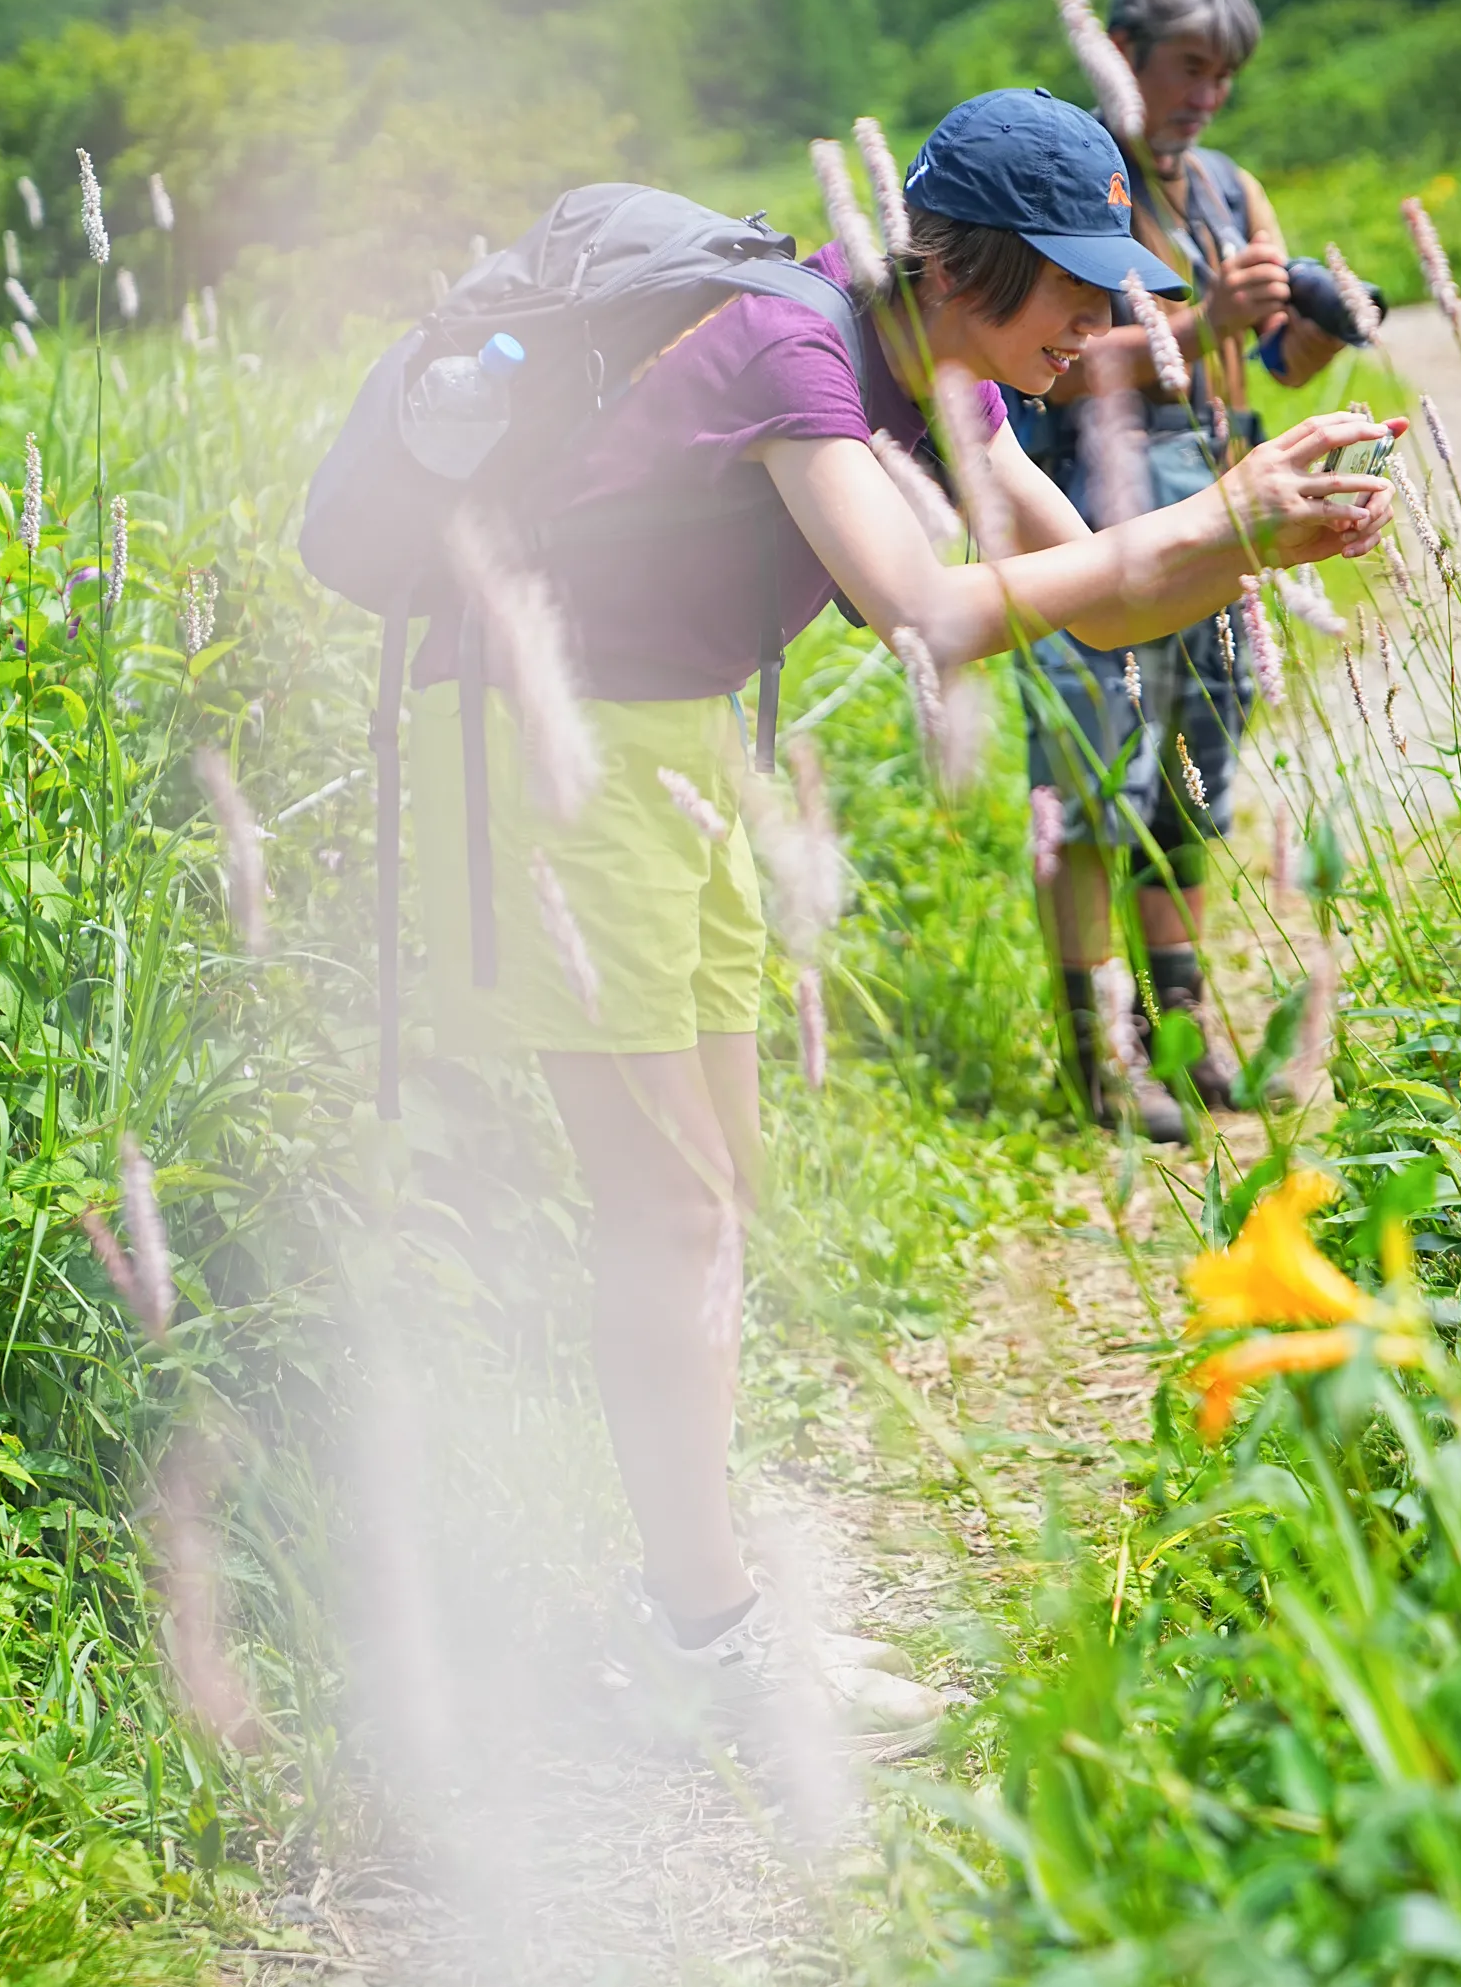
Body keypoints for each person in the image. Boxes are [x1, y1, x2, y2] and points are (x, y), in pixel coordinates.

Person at [407, 89, 1396, 1754]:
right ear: (963, 269)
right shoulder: (798, 355)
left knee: (721, 1185)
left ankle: (699, 1584)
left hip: (673, 745)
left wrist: (1253, 536)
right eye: (1074, 290)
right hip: (556, 755)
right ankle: (707, 1645)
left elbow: (1109, 577)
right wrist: (1204, 532)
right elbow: (930, 611)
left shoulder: (943, 379)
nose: (1103, 324)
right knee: (671, 1212)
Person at [1013, 0, 1380, 1140]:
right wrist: (1193, 317)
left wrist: (1327, 332)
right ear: (1122, 54)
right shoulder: (1073, 177)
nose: (1206, 95)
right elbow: (1036, 371)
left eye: (1224, 75)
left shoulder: (1229, 188)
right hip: (1083, 511)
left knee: (1192, 781)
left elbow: (1263, 368)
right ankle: (1097, 1054)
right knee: (1085, 787)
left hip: (1220, 506)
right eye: (1188, 67)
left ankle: (1178, 1034)